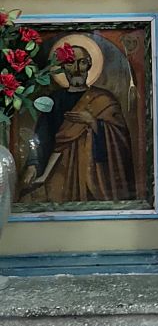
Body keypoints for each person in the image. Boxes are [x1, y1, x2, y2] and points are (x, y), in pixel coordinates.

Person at [19, 39, 136, 206]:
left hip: (95, 175)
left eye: (82, 62)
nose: (76, 69)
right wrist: (33, 165)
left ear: (89, 66)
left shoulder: (104, 100)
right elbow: (42, 137)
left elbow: (121, 141)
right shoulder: (54, 101)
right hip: (59, 174)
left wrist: (93, 122)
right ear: (62, 68)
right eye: (70, 63)